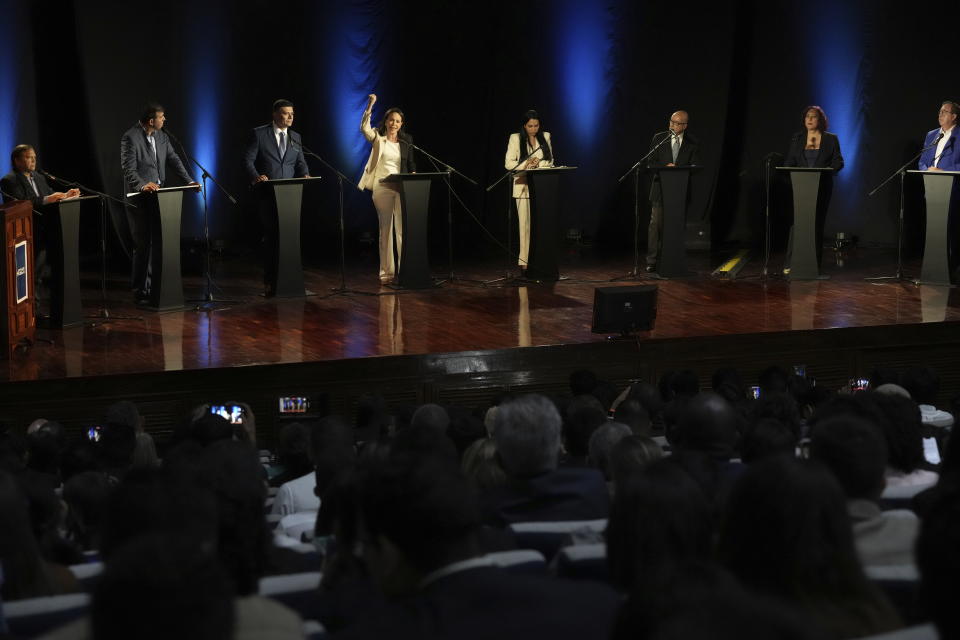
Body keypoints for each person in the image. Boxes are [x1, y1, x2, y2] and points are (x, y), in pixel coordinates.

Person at [120, 103, 198, 304]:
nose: (165, 120)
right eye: (162, 117)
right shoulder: (131, 137)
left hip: (160, 197)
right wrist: (143, 185)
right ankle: (140, 290)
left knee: (159, 243)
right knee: (144, 244)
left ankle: (156, 287)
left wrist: (189, 181)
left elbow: (174, 160)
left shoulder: (162, 137)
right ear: (151, 120)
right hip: (140, 197)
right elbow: (128, 169)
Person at [242, 99, 310, 296]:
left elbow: (301, 161)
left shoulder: (295, 137)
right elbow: (247, 160)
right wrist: (256, 177)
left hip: (290, 195)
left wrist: (305, 173)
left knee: (289, 237)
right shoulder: (259, 134)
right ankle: (270, 282)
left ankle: (291, 280)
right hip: (267, 194)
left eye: (292, 114)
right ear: (275, 114)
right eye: (285, 113)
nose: (290, 117)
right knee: (272, 238)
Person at [359, 93, 416, 285]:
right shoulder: (378, 139)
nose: (394, 124)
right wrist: (370, 104)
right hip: (382, 187)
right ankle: (386, 273)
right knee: (386, 229)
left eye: (398, 121)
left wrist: (413, 175)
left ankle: (405, 270)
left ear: (401, 124)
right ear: (386, 122)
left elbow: (410, 163)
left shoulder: (407, 141)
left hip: (400, 187)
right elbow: (364, 128)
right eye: (391, 120)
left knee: (402, 231)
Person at [782, 105, 844, 268]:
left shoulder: (831, 139)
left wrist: (827, 170)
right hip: (800, 187)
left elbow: (839, 161)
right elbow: (790, 161)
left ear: (820, 120)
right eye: (807, 116)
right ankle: (791, 263)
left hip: (821, 187)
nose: (809, 119)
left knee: (816, 223)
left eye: (813, 116)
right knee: (797, 223)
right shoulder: (797, 138)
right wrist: (788, 170)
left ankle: (813, 264)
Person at [646, 110, 699, 272]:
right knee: (656, 225)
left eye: (676, 123)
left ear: (684, 126)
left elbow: (695, 166)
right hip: (660, 189)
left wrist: (678, 169)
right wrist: (665, 167)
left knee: (676, 226)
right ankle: (652, 261)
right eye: (671, 122)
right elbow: (651, 161)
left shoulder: (693, 142)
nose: (672, 125)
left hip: (680, 192)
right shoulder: (659, 138)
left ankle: (673, 259)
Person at [504, 110, 554, 277]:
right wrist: (526, 164)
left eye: (536, 125)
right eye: (530, 126)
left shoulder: (545, 136)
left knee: (540, 227)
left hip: (541, 188)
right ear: (524, 126)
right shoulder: (515, 138)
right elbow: (509, 163)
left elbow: (550, 160)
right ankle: (524, 264)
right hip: (523, 187)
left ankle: (539, 261)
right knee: (525, 227)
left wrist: (539, 163)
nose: (534, 129)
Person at [1, 145, 79, 207]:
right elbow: (20, 203)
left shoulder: (39, 177)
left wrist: (66, 195)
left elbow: (50, 194)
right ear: (17, 161)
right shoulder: (9, 180)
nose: (33, 160)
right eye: (28, 157)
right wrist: (47, 199)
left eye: (34, 157)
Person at [918, 100, 960, 172]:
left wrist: (943, 171)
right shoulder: (931, 135)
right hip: (931, 180)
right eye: (940, 112)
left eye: (945, 112)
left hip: (953, 181)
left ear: (953, 116)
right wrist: (927, 171)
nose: (941, 114)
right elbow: (922, 161)